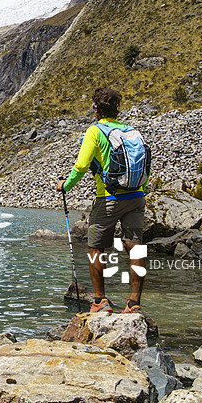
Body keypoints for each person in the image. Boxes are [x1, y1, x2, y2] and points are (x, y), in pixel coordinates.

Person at [55, 87, 147, 314]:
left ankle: (100, 300)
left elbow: (81, 166)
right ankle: (134, 303)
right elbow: (146, 166)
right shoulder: (132, 131)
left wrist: (65, 185)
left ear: (95, 108)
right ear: (117, 109)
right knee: (135, 248)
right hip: (136, 196)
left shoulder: (95, 131)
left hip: (109, 198)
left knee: (96, 246)